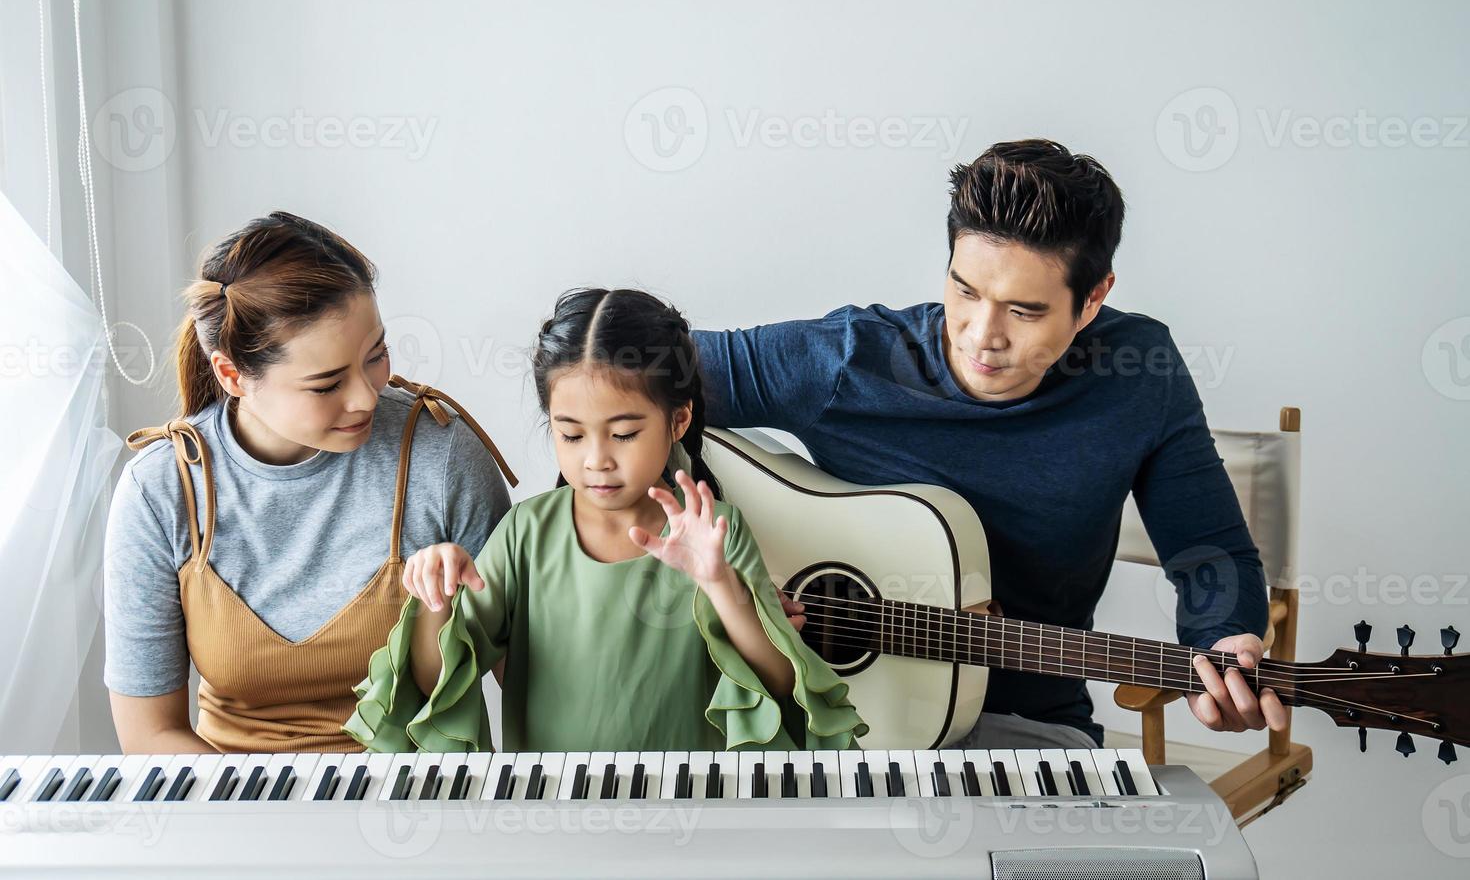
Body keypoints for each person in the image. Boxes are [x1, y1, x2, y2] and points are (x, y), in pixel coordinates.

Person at [692, 140, 1286, 750]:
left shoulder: (1138, 373)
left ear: (1093, 300)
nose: (982, 335)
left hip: (1024, 727)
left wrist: (1225, 636)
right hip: (813, 713)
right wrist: (722, 583)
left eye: (1024, 312)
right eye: (965, 290)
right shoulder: (849, 360)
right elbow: (611, 385)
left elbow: (1209, 553)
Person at [344, 288, 867, 753]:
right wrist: (436, 601)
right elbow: (436, 681)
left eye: (623, 434)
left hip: (691, 815)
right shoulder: (526, 534)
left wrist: (718, 582)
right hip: (554, 814)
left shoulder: (714, 531)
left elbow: (779, 686)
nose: (596, 459)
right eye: (571, 435)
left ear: (678, 420)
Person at [104, 212, 516, 753]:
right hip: (231, 809)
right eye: (325, 385)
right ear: (232, 376)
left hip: (417, 807)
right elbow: (151, 734)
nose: (368, 397)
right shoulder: (161, 491)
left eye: (376, 357)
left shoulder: (441, 456)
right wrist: (274, 823)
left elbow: (527, 674)